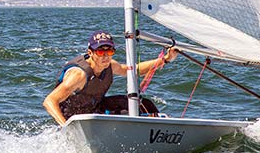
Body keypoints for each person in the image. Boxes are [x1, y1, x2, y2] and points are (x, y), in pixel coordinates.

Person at [43, 31, 178, 126]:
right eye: (101, 52)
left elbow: (132, 70)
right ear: (90, 53)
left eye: (110, 52)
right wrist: (67, 126)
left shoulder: (110, 65)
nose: (106, 56)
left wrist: (165, 60)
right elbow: (49, 101)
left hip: (95, 109)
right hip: (75, 120)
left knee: (144, 105)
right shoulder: (78, 75)